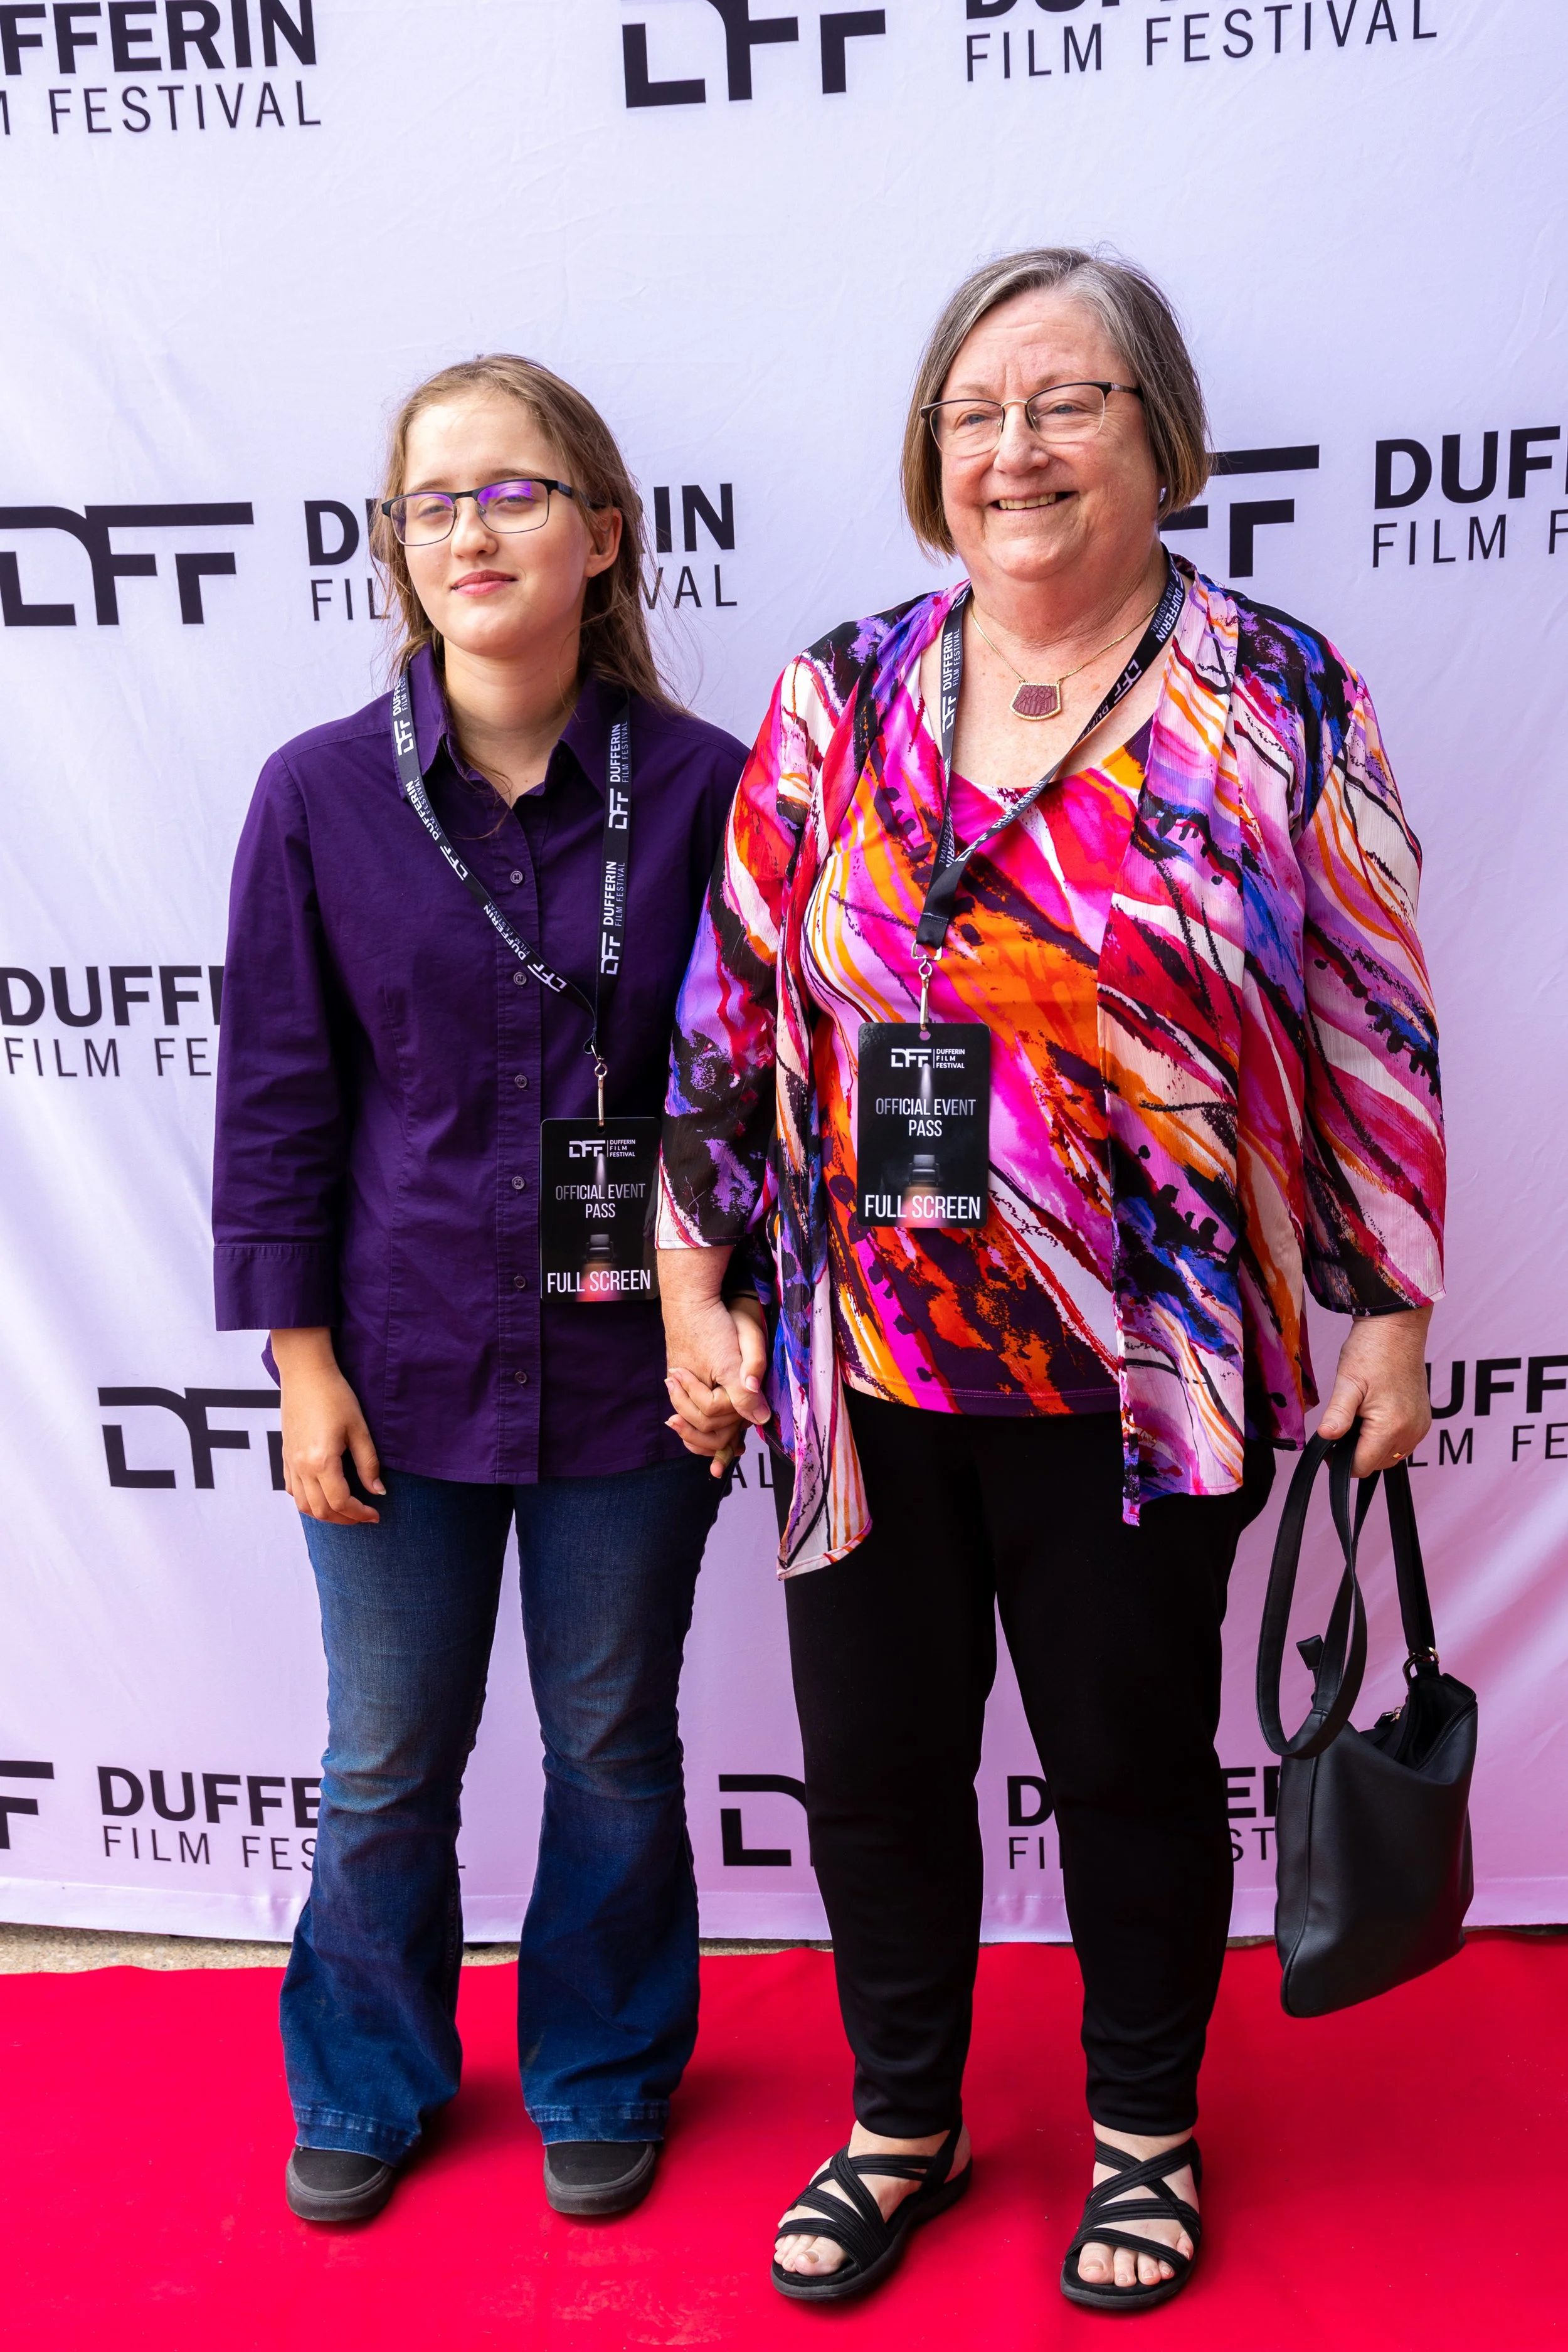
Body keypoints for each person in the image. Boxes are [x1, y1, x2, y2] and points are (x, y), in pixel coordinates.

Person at [655, 248, 1444, 2311]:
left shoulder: (1279, 692)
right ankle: (900, 2120)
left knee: (1126, 1767)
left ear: (1159, 436)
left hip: (1149, 1361)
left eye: (1065, 400)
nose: (1013, 447)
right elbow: (725, 1013)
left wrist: (1392, 1305)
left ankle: (1142, 2137)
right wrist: (685, 1281)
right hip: (861, 1363)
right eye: (975, 410)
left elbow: (1370, 1017)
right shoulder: (840, 690)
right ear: (932, 454)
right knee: (876, 1774)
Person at [213, 354, 750, 2226]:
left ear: (601, 537)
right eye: (431, 503)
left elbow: (729, 1079)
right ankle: (366, 2072)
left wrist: (708, 1306)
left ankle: (600, 2062)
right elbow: (279, 1094)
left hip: (631, 1375)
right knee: (384, 1753)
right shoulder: (313, 798)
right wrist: (299, 1368)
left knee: (611, 1736)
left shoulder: (713, 788)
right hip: (402, 1359)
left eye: (510, 492)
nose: (468, 531)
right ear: (396, 553)